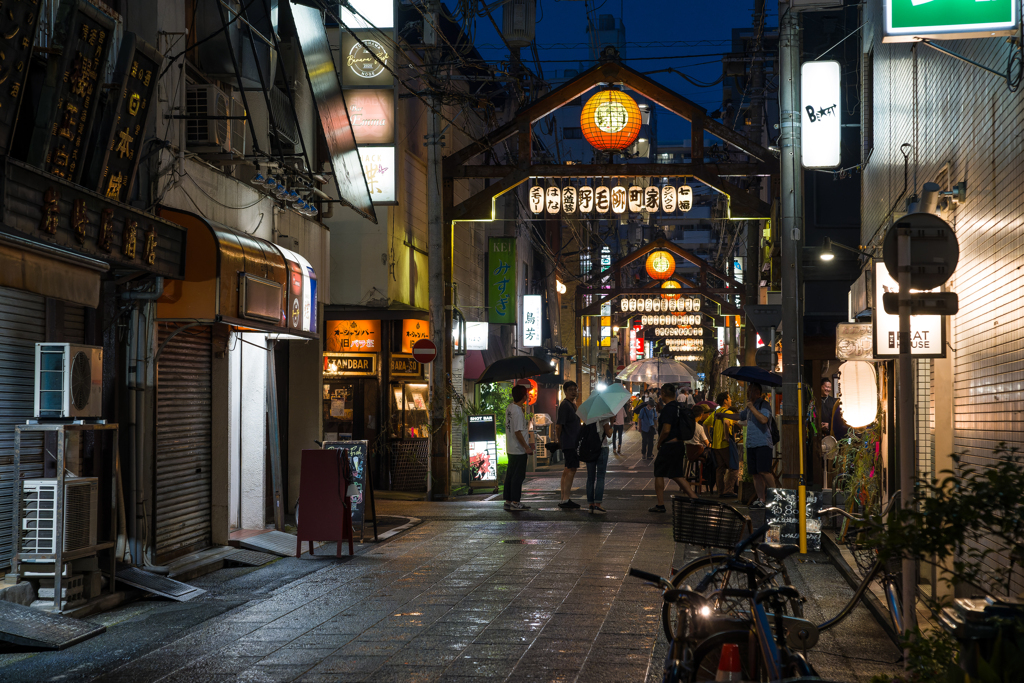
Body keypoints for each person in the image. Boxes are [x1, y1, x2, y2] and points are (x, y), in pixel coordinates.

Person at [649, 384, 697, 512]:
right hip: (679, 445)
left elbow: (666, 430)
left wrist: (659, 442)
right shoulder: (678, 406)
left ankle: (660, 504)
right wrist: (661, 410)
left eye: (661, 393)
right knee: (676, 474)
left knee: (659, 472)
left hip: (669, 445)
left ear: (664, 393)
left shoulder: (668, 409)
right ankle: (694, 498)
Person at [737, 383, 775, 508]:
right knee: (755, 473)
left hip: (763, 443)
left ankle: (776, 496)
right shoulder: (749, 407)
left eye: (750, 390)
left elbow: (764, 420)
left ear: (757, 392)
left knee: (764, 471)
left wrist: (752, 408)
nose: (747, 393)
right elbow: (740, 416)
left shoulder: (764, 404)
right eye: (748, 390)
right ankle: (761, 499)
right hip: (751, 443)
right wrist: (722, 415)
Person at [553, 381, 583, 509]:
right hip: (569, 442)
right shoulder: (565, 405)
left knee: (568, 469)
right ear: (565, 391)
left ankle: (564, 498)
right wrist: (560, 441)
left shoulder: (572, 405)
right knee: (571, 469)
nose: (574, 392)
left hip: (572, 442)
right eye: (570, 390)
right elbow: (558, 426)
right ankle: (565, 499)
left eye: (575, 389)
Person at [503, 385, 533, 511]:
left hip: (511, 447)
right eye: (526, 394)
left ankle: (508, 501)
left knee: (510, 475)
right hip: (519, 449)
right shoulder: (518, 412)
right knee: (518, 476)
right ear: (523, 396)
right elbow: (518, 432)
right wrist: (526, 447)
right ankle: (515, 502)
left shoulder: (510, 408)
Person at [705, 391, 739, 499]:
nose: (730, 400)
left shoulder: (715, 412)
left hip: (715, 445)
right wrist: (726, 436)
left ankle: (720, 491)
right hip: (725, 444)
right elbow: (726, 423)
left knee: (720, 468)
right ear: (725, 400)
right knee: (733, 468)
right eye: (729, 398)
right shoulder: (728, 412)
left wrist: (709, 438)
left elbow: (705, 424)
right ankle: (729, 490)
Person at [586, 417, 614, 514]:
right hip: (602, 448)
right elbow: (609, 434)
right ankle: (597, 505)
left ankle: (591, 505)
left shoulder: (588, 417)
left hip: (589, 449)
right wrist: (612, 423)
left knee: (590, 478)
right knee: (600, 477)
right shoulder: (603, 416)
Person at [685, 404, 713, 491]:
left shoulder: (686, 425)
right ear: (701, 414)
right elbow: (707, 443)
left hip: (688, 452)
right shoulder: (699, 427)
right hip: (698, 452)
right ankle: (706, 477)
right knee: (711, 455)